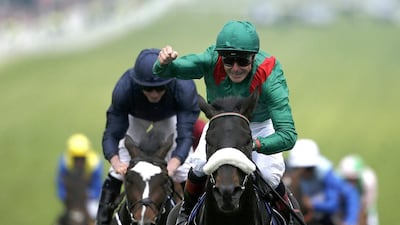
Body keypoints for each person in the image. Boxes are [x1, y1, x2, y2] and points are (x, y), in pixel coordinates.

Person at [153, 20, 299, 224]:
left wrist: (254, 145)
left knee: (269, 175)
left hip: (257, 127)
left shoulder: (269, 73)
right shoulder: (211, 59)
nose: (236, 68)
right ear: (220, 57)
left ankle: (291, 216)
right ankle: (185, 213)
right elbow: (167, 71)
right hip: (220, 124)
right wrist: (164, 62)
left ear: (253, 57)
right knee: (198, 165)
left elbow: (288, 135)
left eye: (243, 61)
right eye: (229, 61)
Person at [96, 48, 200, 225]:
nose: (154, 94)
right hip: (136, 119)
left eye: (160, 88)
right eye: (148, 89)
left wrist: (173, 165)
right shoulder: (124, 87)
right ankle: (102, 220)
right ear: (137, 84)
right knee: (116, 172)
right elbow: (112, 133)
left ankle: (193, 218)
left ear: (170, 82)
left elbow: (185, 136)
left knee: (184, 170)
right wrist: (116, 162)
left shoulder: (183, 86)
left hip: (170, 118)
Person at [287, 139, 360, 225]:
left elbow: (333, 204)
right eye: (297, 169)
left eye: (309, 168)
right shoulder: (287, 169)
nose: (304, 173)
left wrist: (311, 204)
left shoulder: (326, 172)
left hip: (325, 217)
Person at [56, 133, 103, 221]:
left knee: (95, 215)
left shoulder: (95, 164)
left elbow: (97, 189)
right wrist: (68, 199)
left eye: (82, 158)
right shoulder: (64, 163)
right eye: (76, 159)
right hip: (72, 200)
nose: (79, 163)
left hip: (89, 199)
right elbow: (61, 188)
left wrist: (86, 197)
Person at [338, 154, 379, 225]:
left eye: (353, 180)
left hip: (366, 210)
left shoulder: (369, 181)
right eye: (348, 180)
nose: (351, 184)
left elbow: (365, 205)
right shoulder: (338, 177)